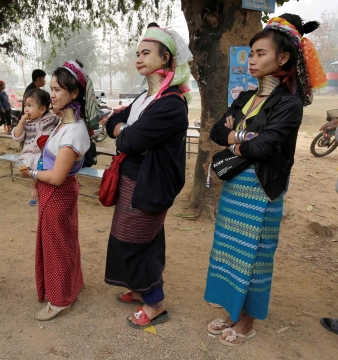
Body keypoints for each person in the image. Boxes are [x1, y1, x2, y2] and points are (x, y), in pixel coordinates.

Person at [204, 14, 326, 346]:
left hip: (262, 192)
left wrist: (237, 135)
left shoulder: (289, 104)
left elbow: (265, 146)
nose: (252, 60)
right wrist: (243, 137)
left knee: (254, 256)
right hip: (234, 190)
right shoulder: (245, 98)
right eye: (251, 53)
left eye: (260, 53)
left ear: (283, 58)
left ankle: (247, 322)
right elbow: (218, 132)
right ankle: (232, 311)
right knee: (230, 251)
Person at [102, 23, 191, 330]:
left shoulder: (170, 105)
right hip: (134, 181)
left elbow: (128, 140)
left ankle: (154, 303)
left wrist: (123, 130)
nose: (138, 59)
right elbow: (114, 122)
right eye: (137, 53)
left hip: (150, 185)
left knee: (135, 241)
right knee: (139, 238)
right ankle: (141, 288)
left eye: (146, 53)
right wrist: (123, 128)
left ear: (166, 58)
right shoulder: (145, 97)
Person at [20, 60, 91, 321]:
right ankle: (71, 285)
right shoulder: (64, 123)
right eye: (51, 88)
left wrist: (32, 174)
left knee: (57, 247)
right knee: (64, 243)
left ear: (74, 93)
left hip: (57, 194)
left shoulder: (73, 130)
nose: (52, 94)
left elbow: (58, 177)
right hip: (54, 194)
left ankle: (60, 299)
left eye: (59, 89)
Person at [12, 89, 58, 204]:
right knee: (23, 166)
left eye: (30, 105)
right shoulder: (26, 122)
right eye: (25, 105)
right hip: (28, 153)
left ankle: (35, 187)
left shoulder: (51, 118)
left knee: (39, 164)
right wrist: (21, 122)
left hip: (43, 154)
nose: (26, 109)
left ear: (42, 109)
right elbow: (17, 137)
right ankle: (33, 187)